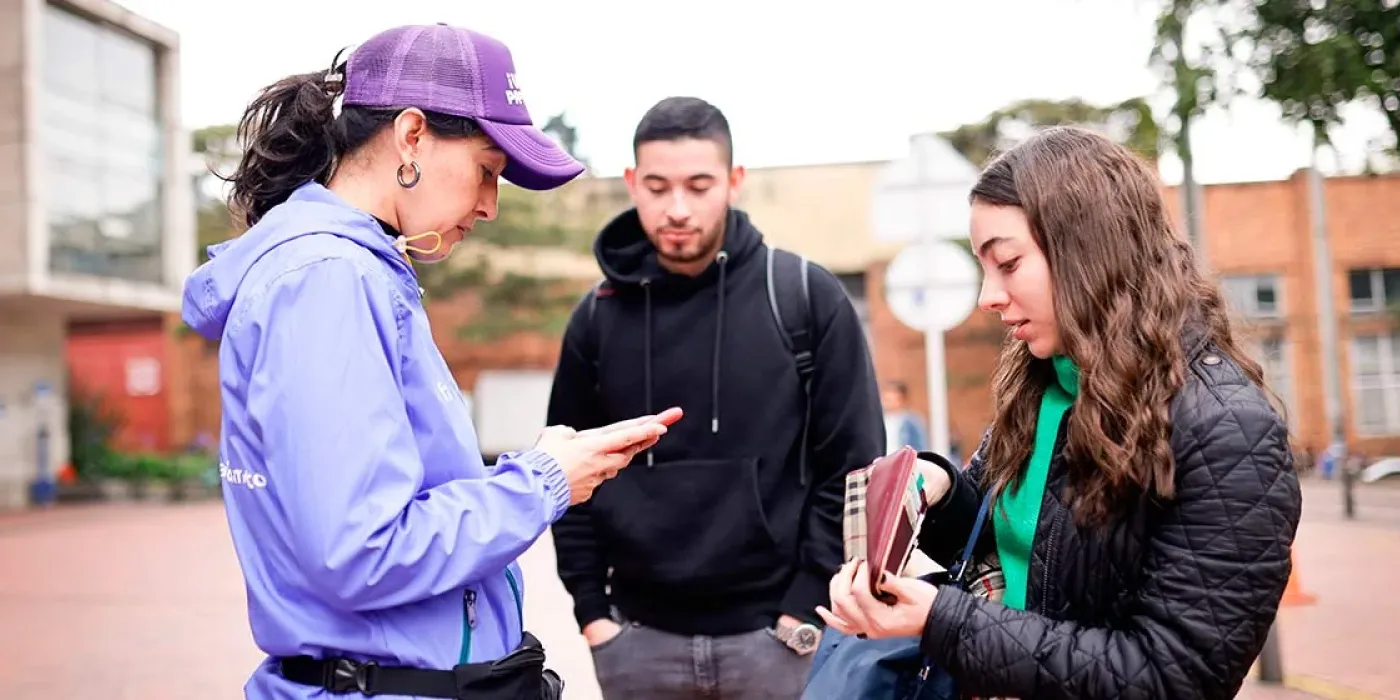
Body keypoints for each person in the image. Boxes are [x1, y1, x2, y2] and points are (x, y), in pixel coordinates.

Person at [181, 24, 681, 700]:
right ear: (411, 136)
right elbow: (361, 550)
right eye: (487, 169)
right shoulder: (328, 279)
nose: (490, 205)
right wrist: (542, 481)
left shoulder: (359, 271)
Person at [817, 126, 1302, 700]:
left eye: (1008, 263)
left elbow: (1175, 677)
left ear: (1088, 252)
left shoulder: (1228, 430)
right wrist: (941, 488)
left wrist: (944, 620)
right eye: (982, 267)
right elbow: (1007, 544)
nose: (987, 296)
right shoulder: (1045, 383)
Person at [545, 96, 886, 698]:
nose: (677, 208)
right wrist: (593, 615)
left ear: (734, 181)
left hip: (778, 645)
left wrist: (802, 610)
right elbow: (567, 471)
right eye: (657, 186)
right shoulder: (597, 318)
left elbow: (854, 464)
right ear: (631, 184)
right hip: (637, 641)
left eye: (699, 185)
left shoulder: (804, 296)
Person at [880, 380, 929, 453]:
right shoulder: (880, 420)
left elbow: (919, 448)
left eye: (890, 399)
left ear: (901, 399)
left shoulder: (912, 422)